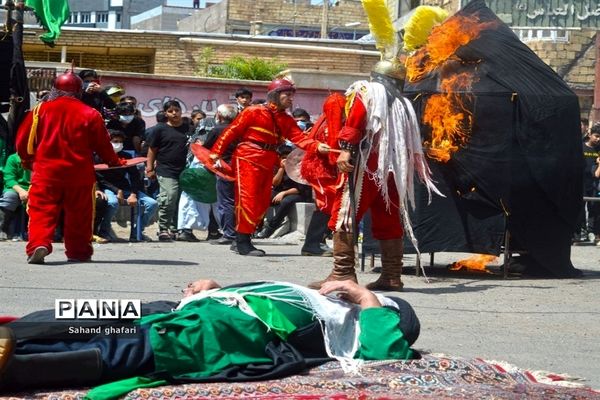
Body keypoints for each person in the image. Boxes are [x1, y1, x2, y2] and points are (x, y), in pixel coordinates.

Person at [0, 279, 420, 396]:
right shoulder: (309, 296)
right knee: (70, 316)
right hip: (180, 307)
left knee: (120, 346)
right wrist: (214, 286)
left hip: (216, 331)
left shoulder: (350, 322)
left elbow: (390, 354)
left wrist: (368, 299)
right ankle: (13, 334)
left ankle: (15, 369)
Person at [309, 60, 440, 291]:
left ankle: (342, 274)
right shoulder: (402, 102)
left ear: (375, 76)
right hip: (391, 167)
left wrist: (345, 150)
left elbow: (356, 118)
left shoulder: (368, 90)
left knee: (345, 214)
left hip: (366, 162)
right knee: (388, 217)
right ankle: (392, 275)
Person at [210, 77, 330, 256]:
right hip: (247, 158)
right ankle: (242, 242)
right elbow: (231, 131)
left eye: (291, 95)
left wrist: (317, 146)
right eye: (287, 94)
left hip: (268, 160)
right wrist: (216, 152)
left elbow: (300, 138)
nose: (290, 99)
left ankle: (241, 239)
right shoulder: (253, 111)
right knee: (248, 199)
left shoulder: (286, 119)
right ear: (275, 95)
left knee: (261, 201)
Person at [15, 69, 123, 264]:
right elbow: (103, 145)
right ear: (79, 90)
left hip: (46, 172)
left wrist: (27, 160)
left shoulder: (40, 110)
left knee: (41, 211)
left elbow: (23, 141)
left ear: (55, 88)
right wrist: (114, 161)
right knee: (80, 215)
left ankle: (39, 244)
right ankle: (79, 251)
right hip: (80, 174)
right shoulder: (91, 114)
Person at [96, 130, 158, 242]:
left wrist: (133, 194)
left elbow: (134, 177)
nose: (118, 144)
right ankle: (104, 231)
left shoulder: (126, 156)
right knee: (112, 203)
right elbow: (101, 179)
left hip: (125, 188)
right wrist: (116, 190)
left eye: (120, 141)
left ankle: (137, 231)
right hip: (107, 188)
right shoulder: (99, 156)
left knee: (152, 203)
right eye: (115, 141)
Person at [145, 100, 189, 242]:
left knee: (182, 201)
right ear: (166, 113)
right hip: (165, 169)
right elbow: (152, 150)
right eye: (170, 111)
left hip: (186, 170)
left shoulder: (188, 128)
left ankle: (176, 228)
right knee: (169, 197)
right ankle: (163, 229)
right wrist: (150, 168)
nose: (174, 113)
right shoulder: (160, 129)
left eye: (177, 110)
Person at [256, 145, 312, 238]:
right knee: (262, 197)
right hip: (280, 191)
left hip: (298, 193)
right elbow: (275, 183)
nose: (285, 160)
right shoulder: (277, 167)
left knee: (286, 202)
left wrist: (284, 193)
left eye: (287, 157)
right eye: (283, 158)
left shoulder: (298, 167)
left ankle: (270, 228)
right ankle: (257, 226)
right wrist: (282, 169)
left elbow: (300, 188)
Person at [574, 124, 600, 244]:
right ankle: (578, 232)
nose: (598, 139)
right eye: (596, 136)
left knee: (593, 207)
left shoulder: (599, 150)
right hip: (581, 181)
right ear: (590, 135)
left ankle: (592, 231)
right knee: (579, 207)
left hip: (594, 182)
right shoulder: (581, 147)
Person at [0, 153, 30, 241]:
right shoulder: (13, 158)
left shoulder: (40, 157)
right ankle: (2, 229)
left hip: (34, 188)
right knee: (9, 198)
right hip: (15, 188)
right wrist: (21, 191)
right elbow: (9, 179)